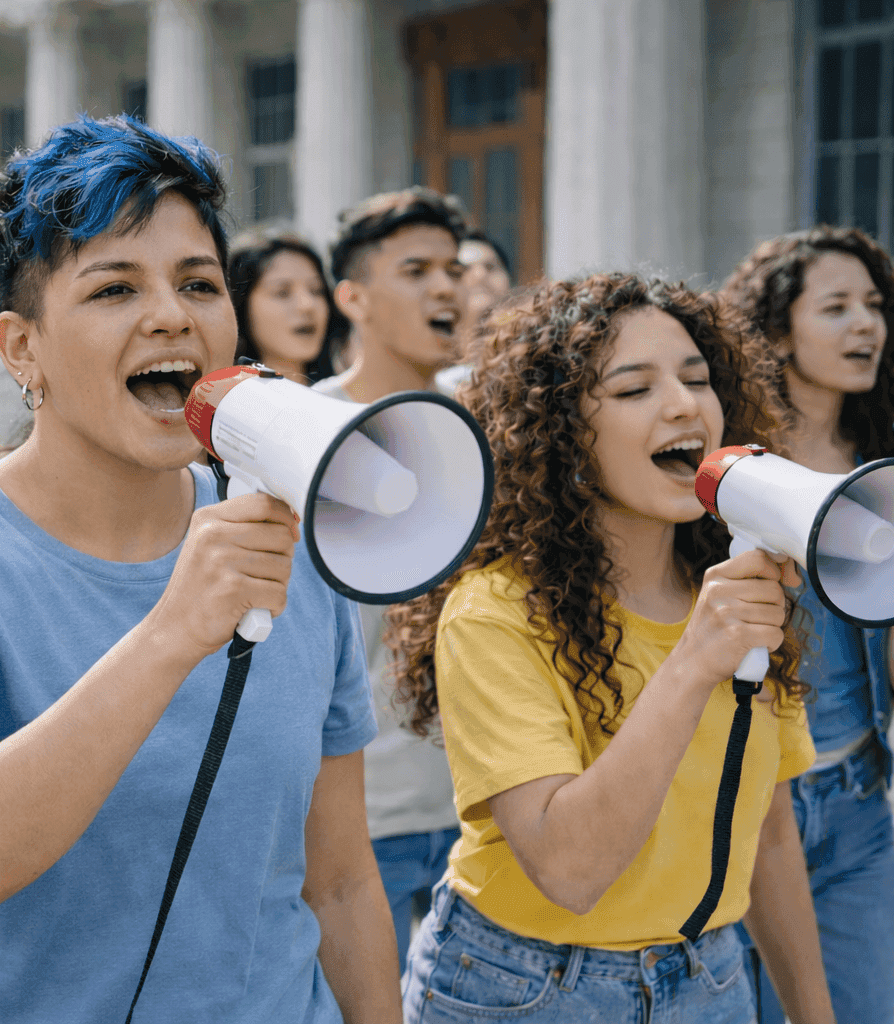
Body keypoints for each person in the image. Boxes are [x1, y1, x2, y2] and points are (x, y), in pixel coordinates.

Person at [0, 116, 399, 1022]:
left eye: (199, 284)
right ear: (23, 349)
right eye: (113, 288)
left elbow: (336, 881)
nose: (171, 314)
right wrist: (173, 632)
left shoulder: (289, 540)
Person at [388, 273, 833, 1022]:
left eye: (699, 379)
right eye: (632, 390)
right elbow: (571, 869)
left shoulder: (734, 593)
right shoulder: (494, 611)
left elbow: (769, 829)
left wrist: (813, 1013)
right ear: (559, 433)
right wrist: (696, 662)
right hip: (525, 988)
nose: (684, 404)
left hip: (712, 976)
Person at [721, 225, 894, 1024]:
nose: (866, 324)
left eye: (874, 305)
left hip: (859, 802)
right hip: (748, 801)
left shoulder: (884, 456)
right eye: (837, 307)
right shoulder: (734, 469)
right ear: (777, 331)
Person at [306, 188, 468, 971]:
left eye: (453, 268)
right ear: (353, 297)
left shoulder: (492, 420)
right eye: (417, 270)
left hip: (487, 805)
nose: (447, 287)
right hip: (357, 819)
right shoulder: (298, 432)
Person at [226, 232, 342, 383]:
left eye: (316, 290)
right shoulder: (222, 403)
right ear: (240, 305)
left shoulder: (347, 400)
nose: (306, 305)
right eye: (282, 293)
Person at [435, 230, 514, 396]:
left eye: (490, 267)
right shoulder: (425, 361)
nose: (480, 275)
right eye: (465, 269)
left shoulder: (529, 354)